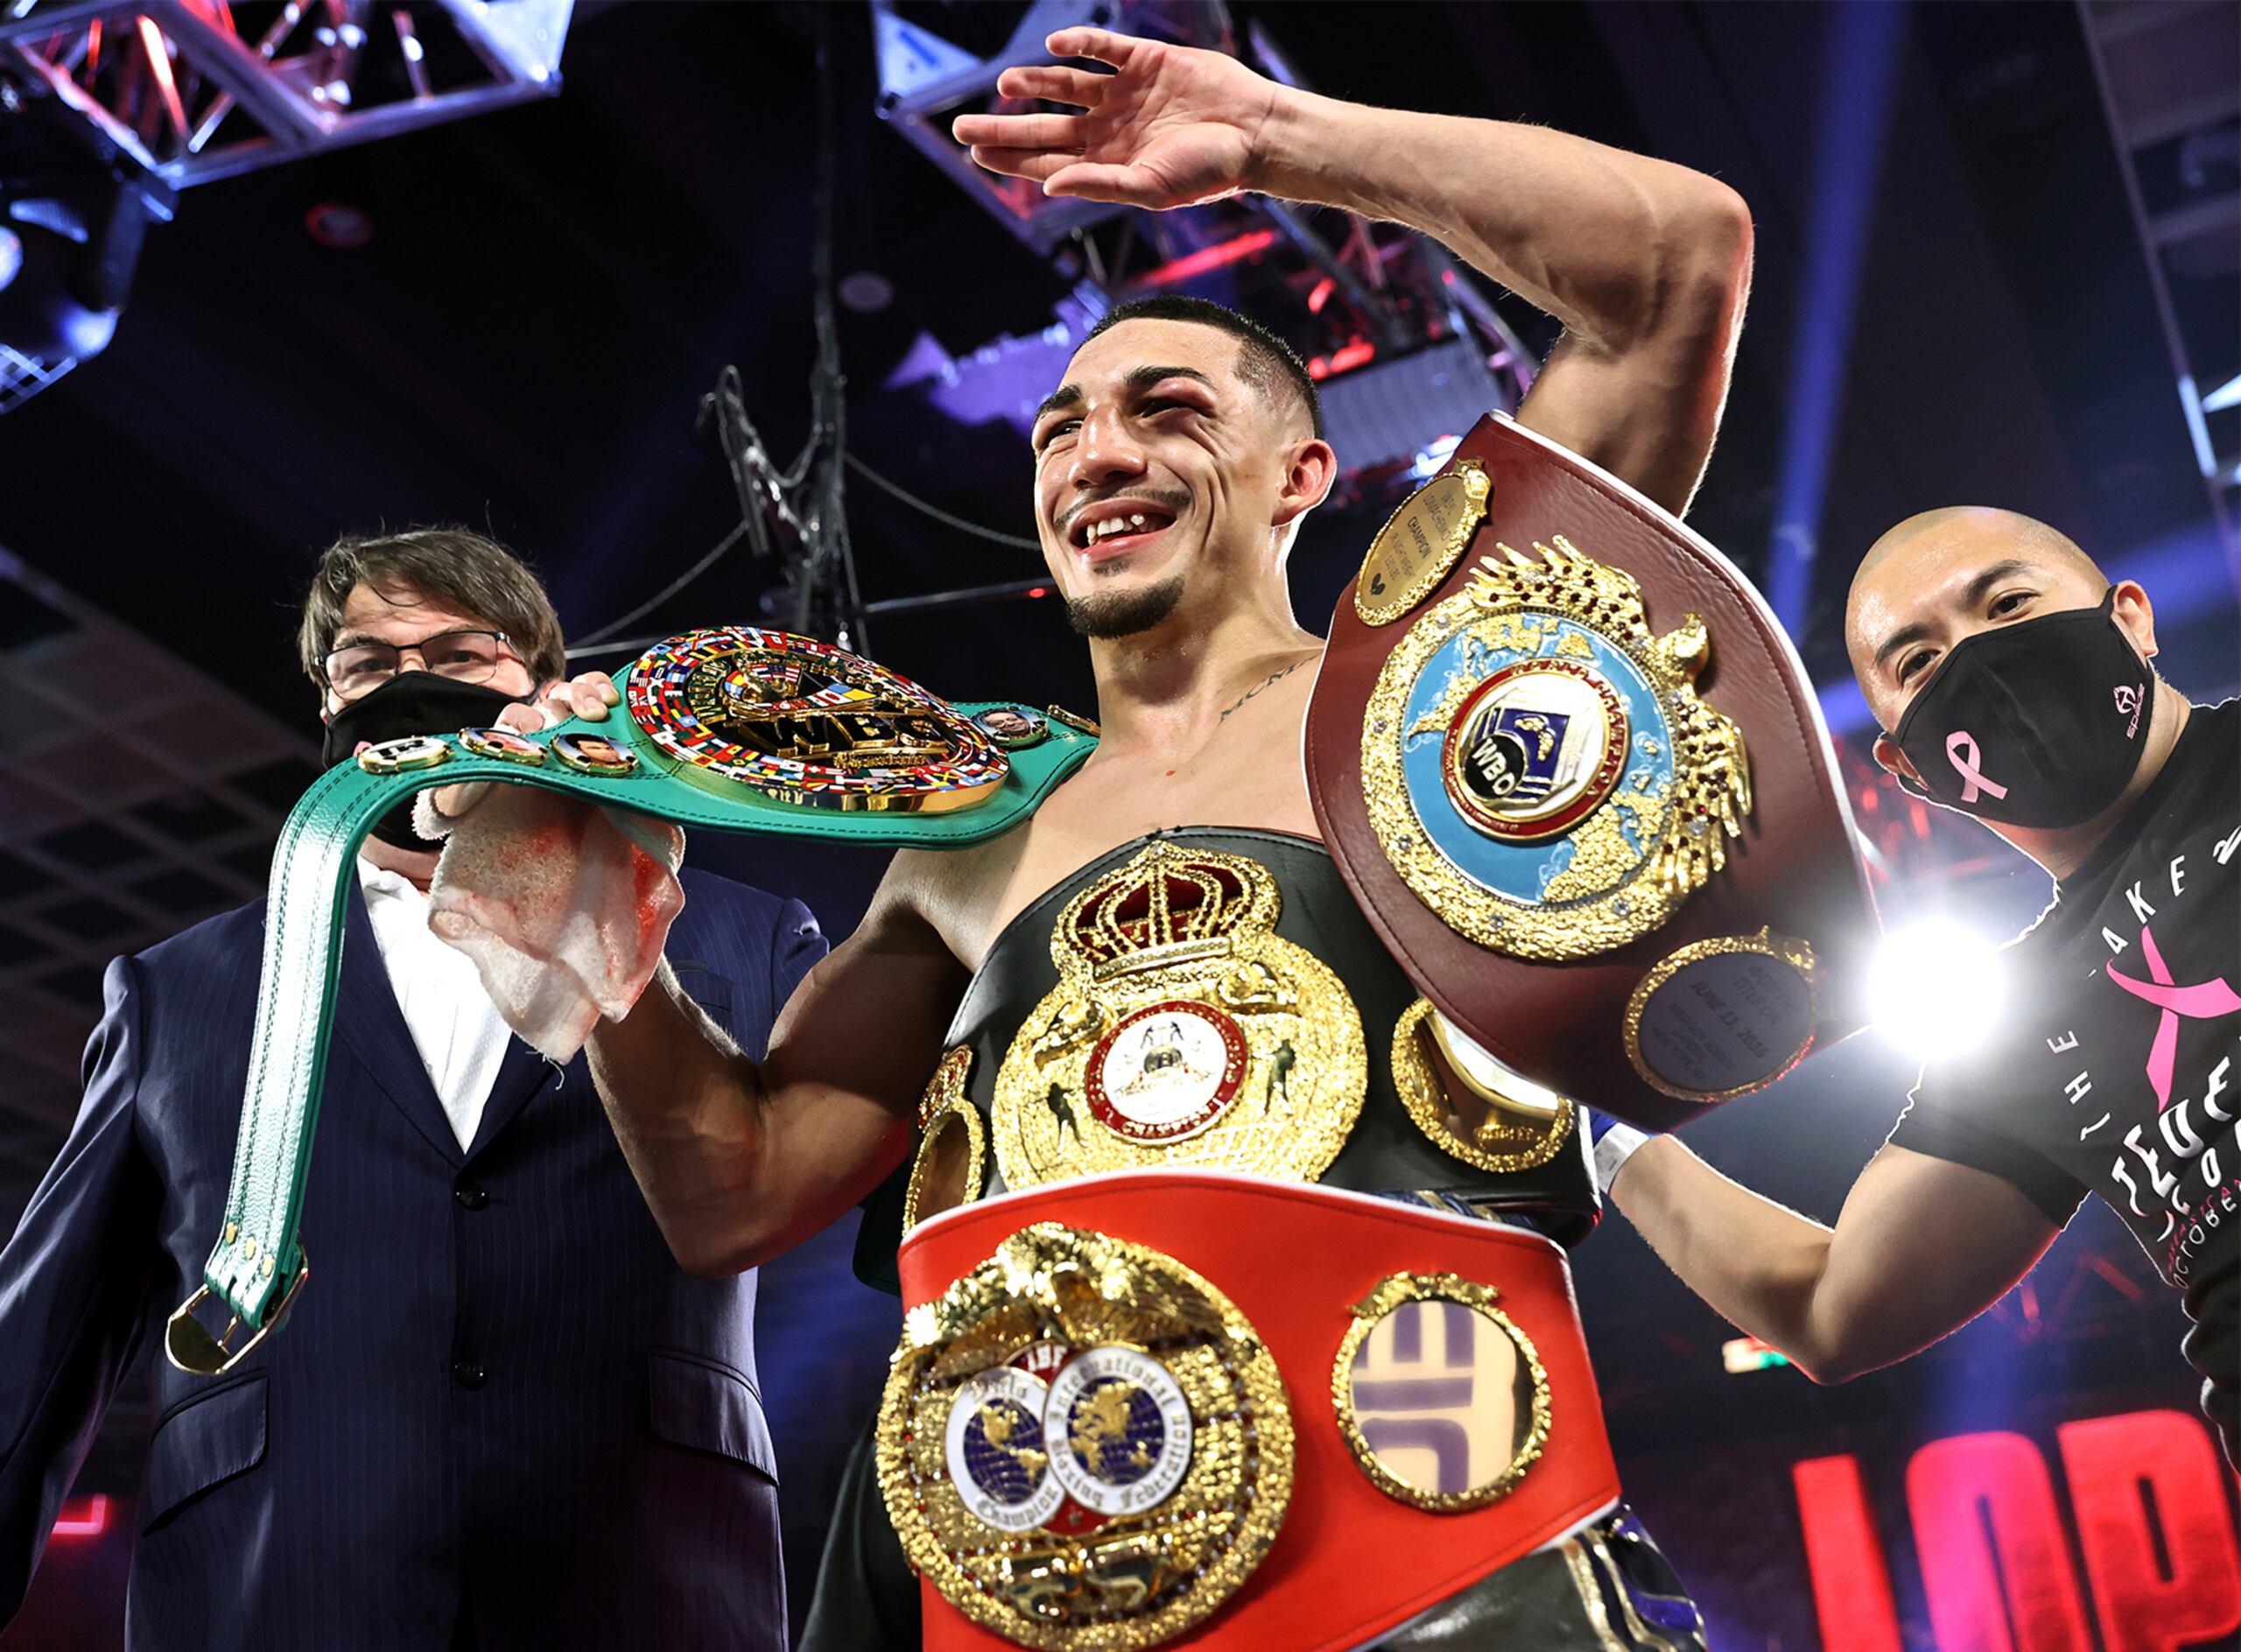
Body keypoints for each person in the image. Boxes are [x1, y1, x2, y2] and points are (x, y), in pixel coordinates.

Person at [533, 26, 1753, 1648]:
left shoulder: (1445, 682)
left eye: (1166, 412)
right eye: (1059, 431)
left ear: (1299, 472)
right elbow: (735, 1192)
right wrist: (583, 887)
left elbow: (1677, 265)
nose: (1096, 452)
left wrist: (1271, 134)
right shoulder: (965, 833)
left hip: (1438, 1556)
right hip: (1050, 1566)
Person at [0, 528, 825, 1648]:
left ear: (542, 684)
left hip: (650, 1584)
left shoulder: (743, 935)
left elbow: (889, 1211)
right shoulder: (174, 990)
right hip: (278, 1589)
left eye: (462, 652)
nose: (413, 684)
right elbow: (39, 1351)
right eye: (369, 665)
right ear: (327, 709)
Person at [1598, 506, 2238, 1468]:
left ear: (2132, 620)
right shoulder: (2024, 1022)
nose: (1980, 661)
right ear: (1909, 770)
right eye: (1919, 664)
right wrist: (1593, 1126)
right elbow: (1828, 1309)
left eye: (2008, 602)